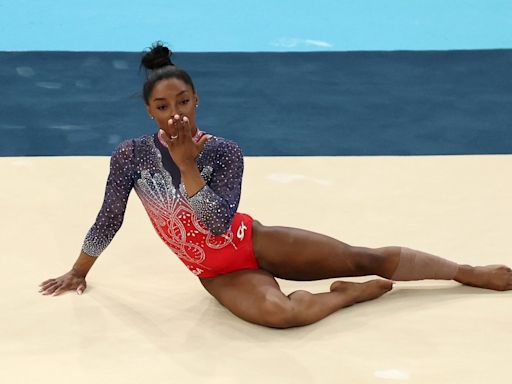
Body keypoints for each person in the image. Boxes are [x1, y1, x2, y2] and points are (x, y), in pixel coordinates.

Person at [39, 42, 512, 329]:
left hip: (253, 241)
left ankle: (462, 271)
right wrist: (79, 270)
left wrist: (188, 168)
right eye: (163, 106)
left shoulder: (224, 151)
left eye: (183, 100)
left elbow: (221, 222)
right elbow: (110, 216)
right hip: (219, 273)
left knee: (363, 255)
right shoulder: (130, 157)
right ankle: (343, 295)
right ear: (150, 112)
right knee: (282, 316)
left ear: (197, 99)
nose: (175, 112)